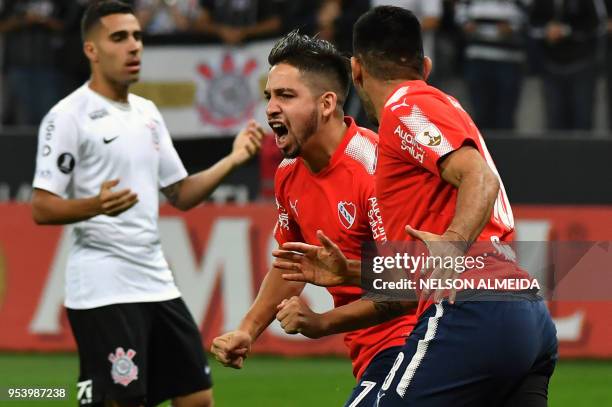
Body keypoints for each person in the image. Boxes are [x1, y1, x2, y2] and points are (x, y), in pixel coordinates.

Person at [275, 7, 558, 406]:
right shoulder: (439, 109)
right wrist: (352, 273)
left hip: (475, 307)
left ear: (356, 71)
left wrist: (454, 243)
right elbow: (414, 286)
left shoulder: (406, 109)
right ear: (425, 65)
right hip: (522, 308)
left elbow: (480, 178)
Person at [30, 1, 263, 406]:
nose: (134, 46)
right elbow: (42, 206)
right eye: (119, 37)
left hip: (155, 282)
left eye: (137, 36)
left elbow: (182, 193)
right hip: (104, 289)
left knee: (197, 398)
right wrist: (96, 205)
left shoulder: (148, 113)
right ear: (92, 50)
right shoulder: (68, 116)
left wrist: (234, 159)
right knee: (120, 400)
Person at [209, 31, 416, 407]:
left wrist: (322, 323)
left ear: (326, 104)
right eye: (269, 96)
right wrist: (248, 330)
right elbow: (291, 263)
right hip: (372, 355)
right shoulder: (289, 174)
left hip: (417, 345)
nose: (271, 108)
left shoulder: (374, 169)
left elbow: (410, 286)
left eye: (286, 96)